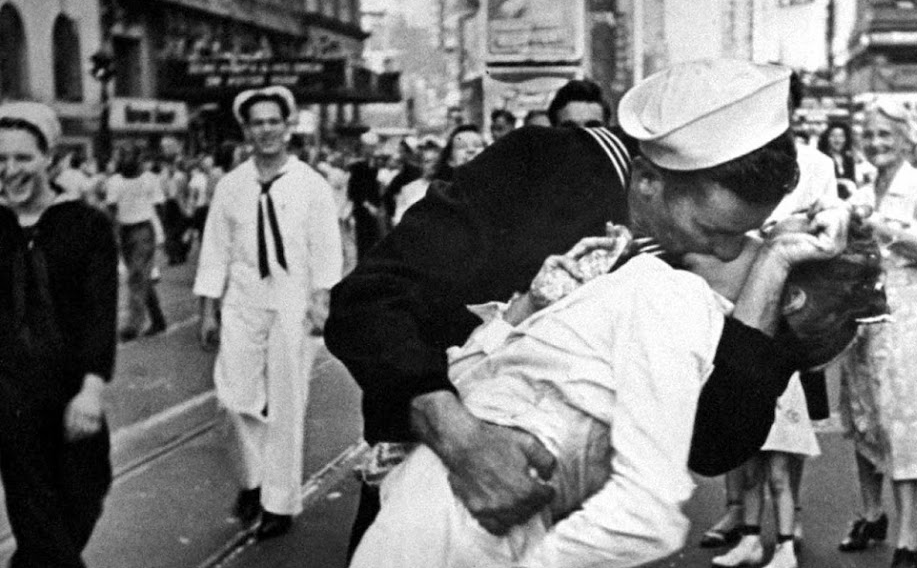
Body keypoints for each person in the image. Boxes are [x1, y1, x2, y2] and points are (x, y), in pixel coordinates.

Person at [326, 59, 851, 561]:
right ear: (648, 181)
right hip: (436, 503)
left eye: (745, 234)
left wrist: (778, 270)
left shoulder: (698, 268)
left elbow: (714, 442)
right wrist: (461, 439)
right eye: (716, 232)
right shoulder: (541, 167)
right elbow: (367, 302)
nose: (728, 253)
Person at [192, 86, 343, 541]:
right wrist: (207, 310)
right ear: (247, 130)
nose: (266, 130)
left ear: (287, 126)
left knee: (287, 403)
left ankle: (279, 502)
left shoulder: (311, 185)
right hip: (242, 302)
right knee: (233, 399)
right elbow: (215, 251)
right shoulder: (231, 187)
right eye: (257, 123)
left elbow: (326, 248)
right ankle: (252, 480)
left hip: (292, 303)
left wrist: (321, 300)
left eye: (273, 121)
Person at [837, 100, 917, 568]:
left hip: (911, 315)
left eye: (885, 136)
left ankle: (910, 534)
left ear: (906, 140)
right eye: (868, 136)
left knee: (903, 420)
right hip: (866, 313)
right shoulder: (863, 187)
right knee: (866, 414)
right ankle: (871, 514)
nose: (875, 144)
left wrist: (879, 229)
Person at [708, 121, 836, 568]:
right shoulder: (732, 243)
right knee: (749, 466)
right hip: (746, 360)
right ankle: (748, 538)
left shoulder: (815, 176)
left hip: (779, 370)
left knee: (779, 469)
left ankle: (784, 542)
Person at [0, 102, 115, 568]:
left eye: (23, 157)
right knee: (39, 518)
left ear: (49, 157)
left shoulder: (86, 226)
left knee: (87, 491)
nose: (10, 170)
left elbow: (99, 312)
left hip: (72, 391)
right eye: (0, 159)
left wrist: (91, 388)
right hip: (9, 396)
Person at [105, 150, 167, 341]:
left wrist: (160, 230)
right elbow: (112, 209)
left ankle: (133, 325)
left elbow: (160, 206)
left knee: (136, 276)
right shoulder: (114, 181)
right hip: (126, 231)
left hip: (143, 230)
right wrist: (113, 233)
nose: (127, 161)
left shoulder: (150, 179)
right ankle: (158, 319)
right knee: (141, 277)